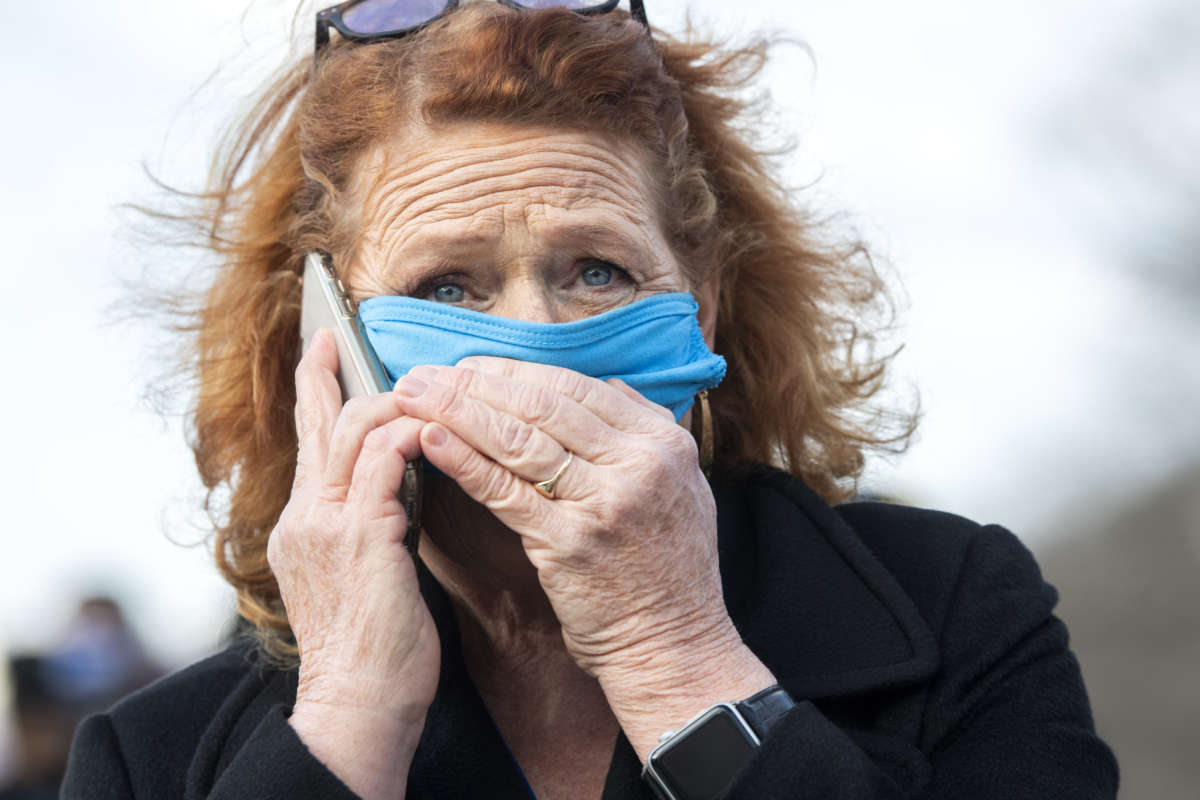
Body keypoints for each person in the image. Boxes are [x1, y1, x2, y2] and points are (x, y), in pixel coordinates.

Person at [63, 1, 1118, 798]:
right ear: (328, 332)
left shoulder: (958, 604)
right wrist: (347, 720)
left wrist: (681, 663)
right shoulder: (151, 753)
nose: (537, 340)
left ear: (699, 304)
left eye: (597, 271)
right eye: (448, 284)